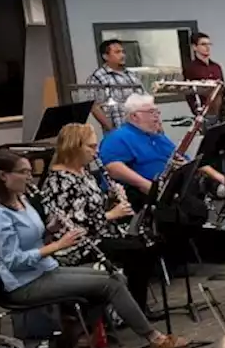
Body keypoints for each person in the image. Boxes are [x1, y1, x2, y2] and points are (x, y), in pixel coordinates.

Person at [0, 152, 190, 348]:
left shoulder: (21, 200)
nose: (29, 177)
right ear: (3, 176)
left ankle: (80, 330)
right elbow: (14, 261)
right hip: (22, 284)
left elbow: (35, 238)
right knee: (111, 284)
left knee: (116, 276)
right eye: (23, 172)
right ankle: (154, 339)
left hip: (44, 269)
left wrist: (51, 229)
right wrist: (59, 245)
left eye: (29, 171)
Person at [40, 123, 160, 316]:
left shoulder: (82, 171)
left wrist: (112, 198)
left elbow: (91, 207)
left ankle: (132, 306)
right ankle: (132, 311)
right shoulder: (60, 181)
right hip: (77, 245)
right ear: (74, 147)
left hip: (98, 234)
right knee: (138, 252)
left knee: (148, 243)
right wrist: (112, 214)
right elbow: (77, 223)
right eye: (91, 147)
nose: (96, 152)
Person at [99, 93, 177, 203]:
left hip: (169, 187)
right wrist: (148, 186)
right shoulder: (119, 137)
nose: (157, 115)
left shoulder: (157, 135)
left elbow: (178, 155)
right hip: (142, 195)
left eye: (157, 112)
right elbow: (112, 167)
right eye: (151, 112)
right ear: (134, 116)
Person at [85, 39, 146, 133]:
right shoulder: (98, 77)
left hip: (140, 130)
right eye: (117, 52)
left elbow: (145, 100)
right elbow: (95, 107)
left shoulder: (131, 75)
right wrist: (112, 130)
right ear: (105, 56)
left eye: (123, 52)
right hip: (117, 130)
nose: (122, 55)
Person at [182, 32, 224, 117]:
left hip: (221, 110)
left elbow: (223, 88)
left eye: (209, 44)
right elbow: (188, 92)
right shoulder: (190, 68)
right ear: (194, 47)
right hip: (204, 112)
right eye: (203, 44)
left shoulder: (217, 67)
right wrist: (196, 111)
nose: (207, 47)